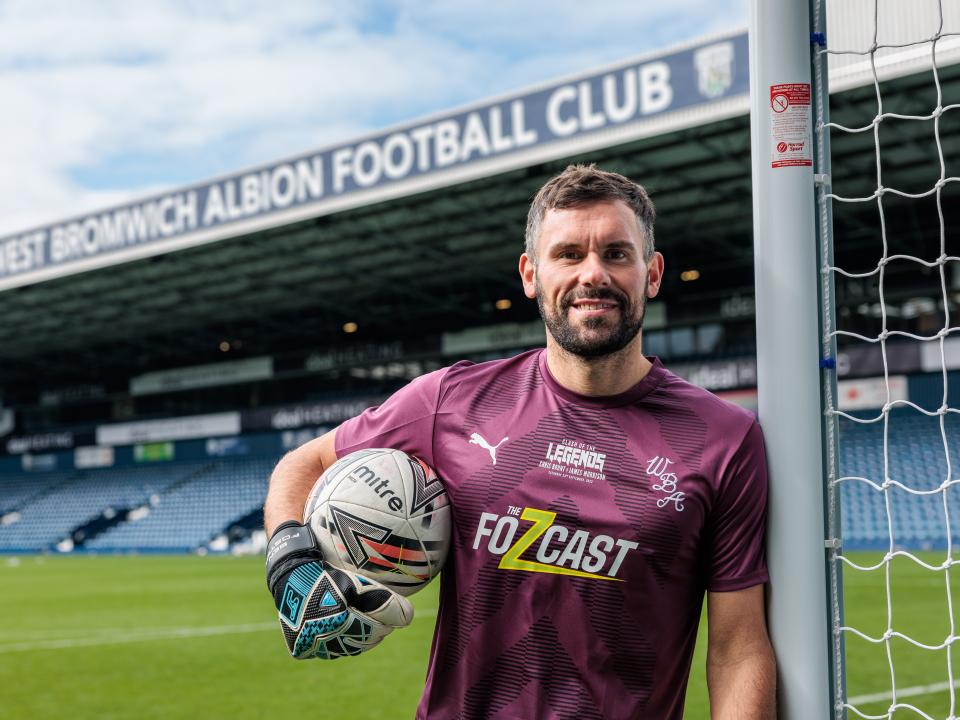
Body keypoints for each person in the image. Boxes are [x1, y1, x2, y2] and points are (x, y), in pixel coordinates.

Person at [263, 164, 777, 719]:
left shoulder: (723, 439)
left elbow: (737, 649)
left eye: (616, 253)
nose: (593, 274)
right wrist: (291, 564)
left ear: (652, 274)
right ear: (531, 274)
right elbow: (306, 462)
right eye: (569, 254)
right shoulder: (448, 402)